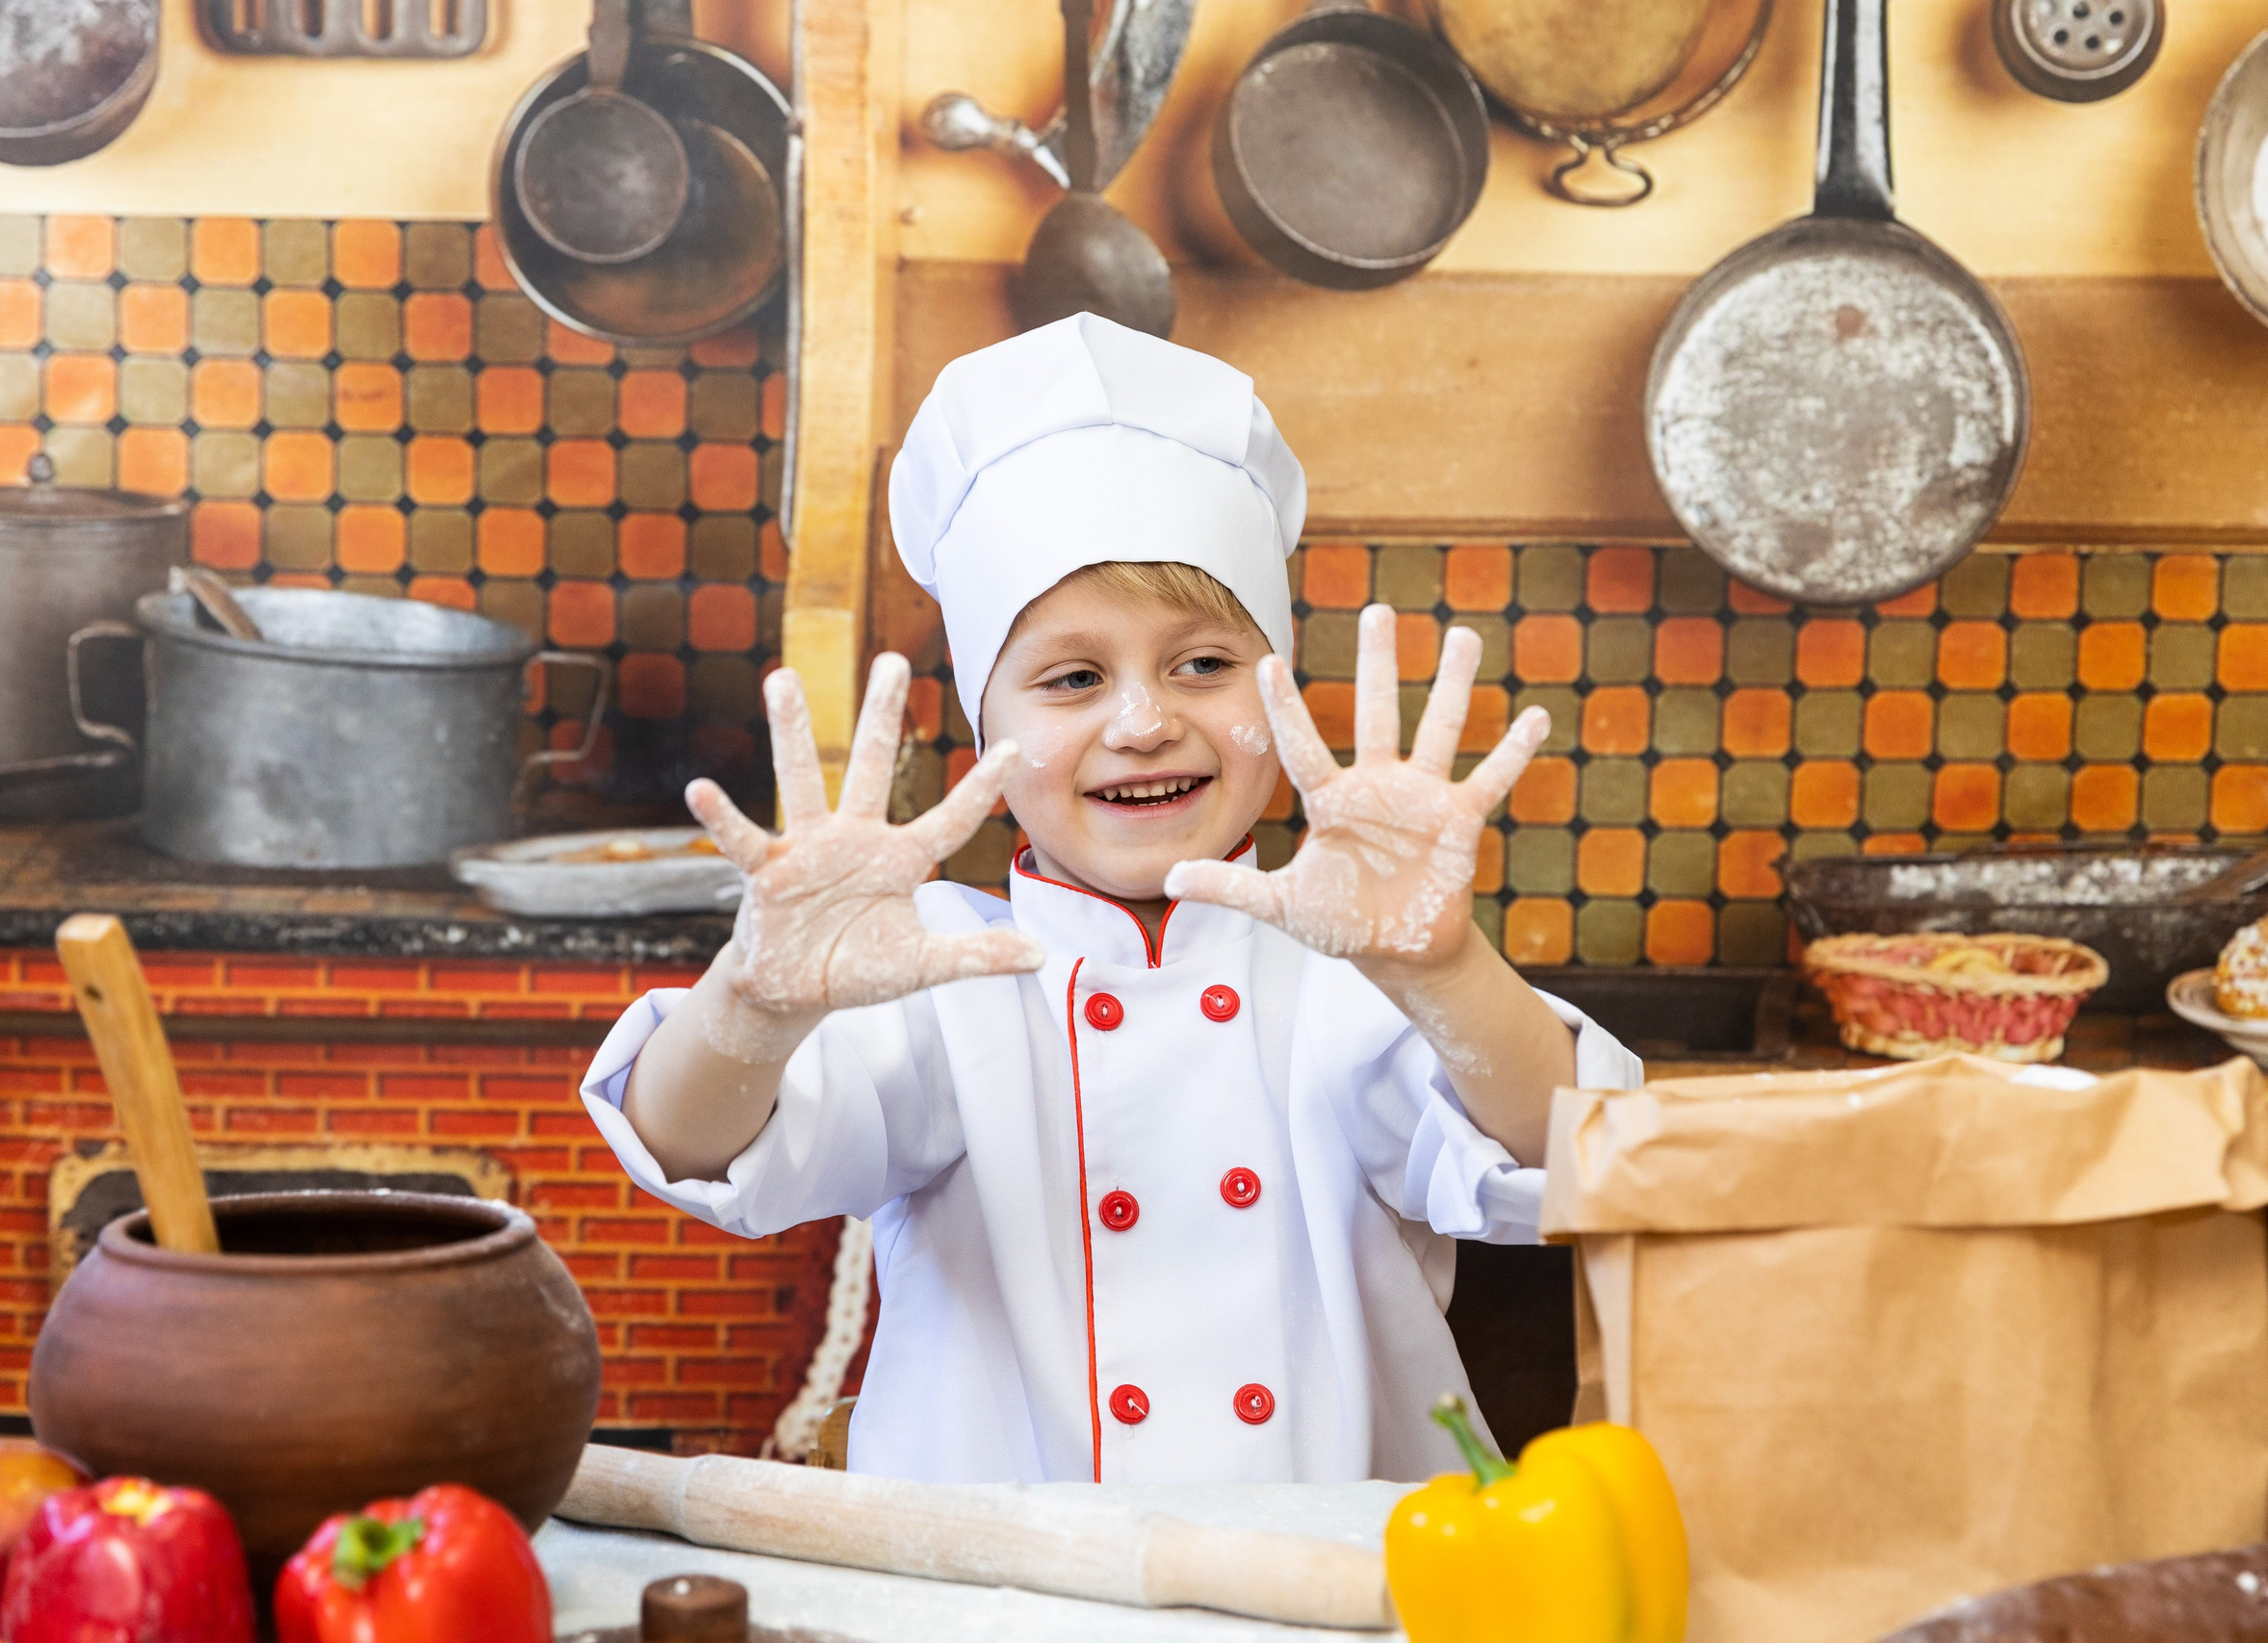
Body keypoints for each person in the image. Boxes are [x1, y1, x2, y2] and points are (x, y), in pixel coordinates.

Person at [580, 313, 1641, 1485]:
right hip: (1001, 1598)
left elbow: (1574, 1164)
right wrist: (754, 1004)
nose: (1143, 721)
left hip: (1338, 1591)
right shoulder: (938, 970)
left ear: (1278, 691)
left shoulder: (1350, 978)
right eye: (1073, 678)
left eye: (1203, 663)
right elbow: (690, 1147)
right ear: (989, 733)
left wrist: (1444, 972)